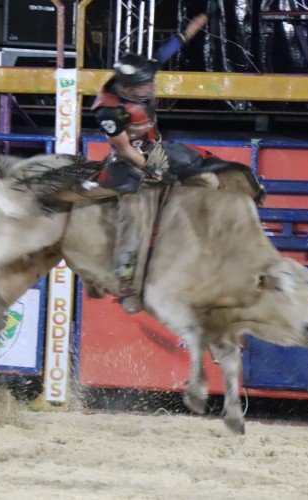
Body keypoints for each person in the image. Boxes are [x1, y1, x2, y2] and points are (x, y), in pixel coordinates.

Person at [87, 13, 208, 314]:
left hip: (153, 145)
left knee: (198, 162)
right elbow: (126, 150)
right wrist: (153, 169)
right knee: (133, 207)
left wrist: (193, 28)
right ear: (127, 88)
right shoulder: (108, 112)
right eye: (145, 87)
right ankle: (124, 278)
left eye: (150, 82)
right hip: (128, 158)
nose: (151, 87)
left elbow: (168, 49)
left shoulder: (140, 73)